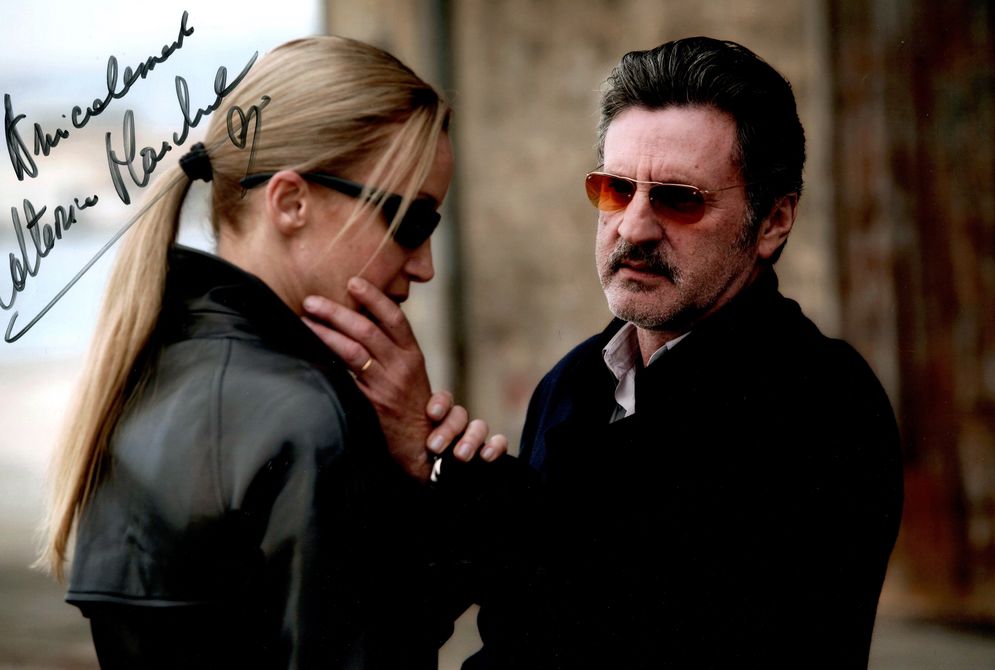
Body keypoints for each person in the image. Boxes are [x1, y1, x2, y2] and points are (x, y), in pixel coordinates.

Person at [311, 36, 904, 669]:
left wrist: (441, 461)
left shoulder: (823, 403)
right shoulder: (575, 382)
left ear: (774, 222)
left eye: (680, 198)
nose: (634, 227)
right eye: (616, 189)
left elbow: (638, 625)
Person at [38, 36, 505, 668]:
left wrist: (433, 479)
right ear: (290, 202)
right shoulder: (308, 417)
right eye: (412, 221)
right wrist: (446, 497)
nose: (424, 265)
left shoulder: (142, 374)